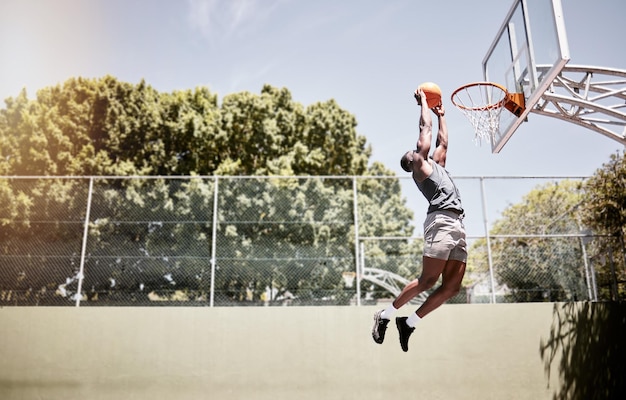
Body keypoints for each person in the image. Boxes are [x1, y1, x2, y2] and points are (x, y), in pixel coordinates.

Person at [372, 87, 467, 352]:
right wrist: (423, 103)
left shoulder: (436, 166)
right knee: (427, 281)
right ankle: (386, 315)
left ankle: (409, 323)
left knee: (452, 288)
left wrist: (442, 116)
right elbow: (424, 132)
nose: (416, 151)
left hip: (457, 224)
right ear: (412, 162)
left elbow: (443, 143)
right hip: (441, 223)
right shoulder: (421, 169)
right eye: (413, 153)